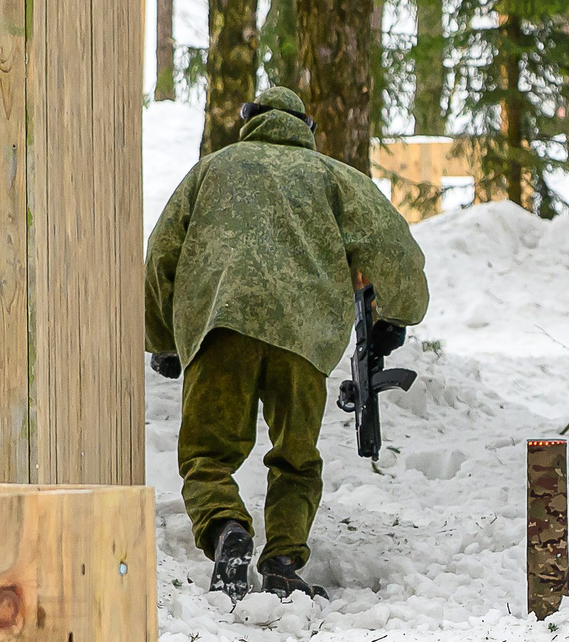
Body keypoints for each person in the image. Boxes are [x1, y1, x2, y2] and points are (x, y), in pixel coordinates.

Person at [144, 86, 430, 598]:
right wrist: (396, 316)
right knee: (296, 456)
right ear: (307, 129)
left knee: (207, 454)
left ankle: (227, 527)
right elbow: (396, 249)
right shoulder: (334, 178)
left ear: (249, 120)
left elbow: (162, 252)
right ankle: (281, 560)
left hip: (220, 327)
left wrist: (163, 338)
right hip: (303, 335)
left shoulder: (213, 169)